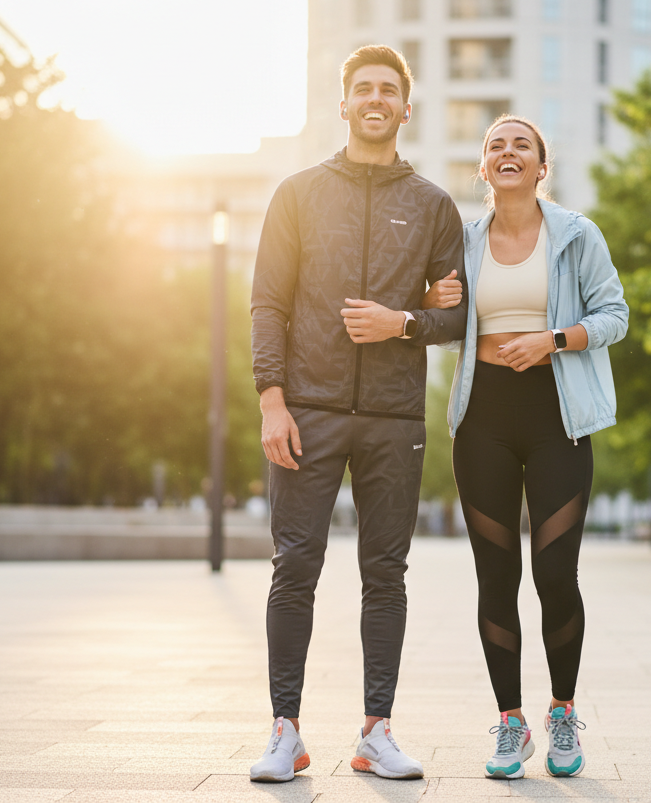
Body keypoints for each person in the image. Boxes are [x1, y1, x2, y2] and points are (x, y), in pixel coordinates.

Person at [247, 45, 467, 783]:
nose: (376, 99)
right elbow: (268, 304)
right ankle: (285, 731)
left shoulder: (434, 206)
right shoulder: (298, 194)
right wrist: (272, 401)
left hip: (395, 416)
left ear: (406, 109)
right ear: (343, 104)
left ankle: (377, 732)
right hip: (306, 410)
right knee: (294, 566)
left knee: (386, 574)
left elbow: (457, 318)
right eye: (363, 88)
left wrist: (401, 322)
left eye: (389, 90)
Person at [421, 115, 628, 779]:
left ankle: (562, 710)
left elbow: (615, 315)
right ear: (483, 168)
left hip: (556, 415)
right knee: (495, 575)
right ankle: (511, 723)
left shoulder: (576, 235)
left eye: (522, 145)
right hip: (482, 418)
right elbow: (442, 317)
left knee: (555, 573)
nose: (507, 152)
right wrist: (433, 297)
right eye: (495, 146)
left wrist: (552, 340)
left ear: (542, 167)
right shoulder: (462, 240)